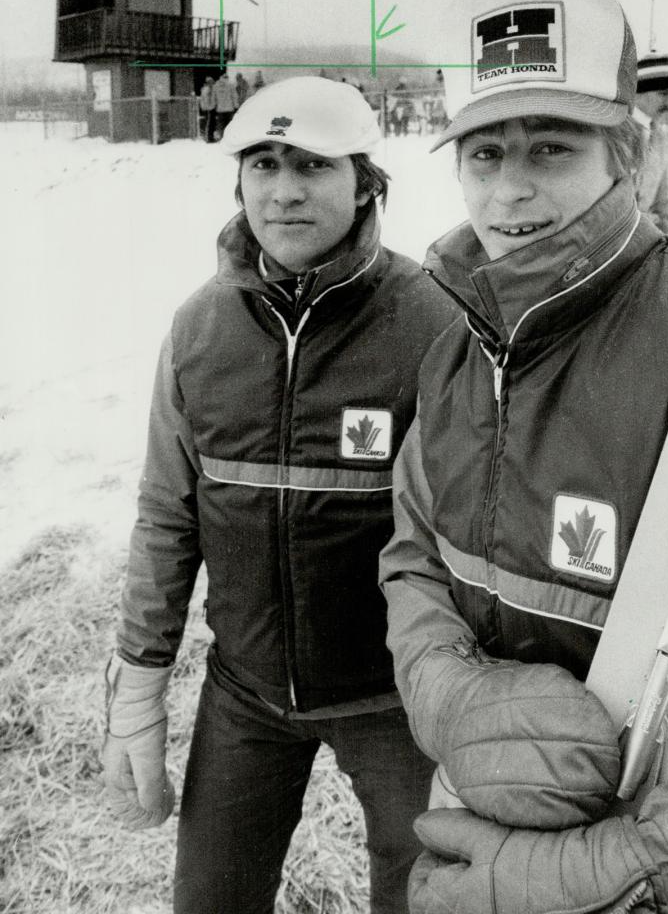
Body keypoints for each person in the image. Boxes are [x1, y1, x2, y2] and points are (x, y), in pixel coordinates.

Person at [380, 0, 668, 913]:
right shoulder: (454, 351)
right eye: (483, 152)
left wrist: (635, 876)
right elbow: (413, 559)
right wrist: (450, 694)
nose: (509, 191)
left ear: (627, 152)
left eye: (550, 147)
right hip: (475, 846)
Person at [101, 76, 457, 914]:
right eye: (263, 164)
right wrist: (138, 687)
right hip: (246, 696)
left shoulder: (432, 322)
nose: (284, 189)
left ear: (366, 183)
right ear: (238, 182)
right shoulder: (200, 328)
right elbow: (167, 514)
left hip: (395, 703)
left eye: (312, 165)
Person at [633, 50, 668, 236]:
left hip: (647, 240)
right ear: (638, 93)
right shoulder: (613, 133)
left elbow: (663, 201)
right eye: (663, 93)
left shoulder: (660, 137)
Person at [211, 72, 237, 137]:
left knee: (221, 125)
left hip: (220, 109)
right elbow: (234, 96)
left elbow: (213, 97)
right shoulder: (231, 85)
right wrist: (236, 106)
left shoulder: (215, 86)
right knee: (229, 125)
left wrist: (213, 106)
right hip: (229, 108)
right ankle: (229, 138)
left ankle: (222, 137)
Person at [197, 76, 215, 143]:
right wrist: (210, 106)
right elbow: (207, 99)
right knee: (209, 123)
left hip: (208, 108)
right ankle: (208, 138)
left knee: (209, 123)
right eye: (211, 82)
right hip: (208, 108)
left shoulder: (207, 89)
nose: (213, 83)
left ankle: (209, 137)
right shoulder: (207, 89)